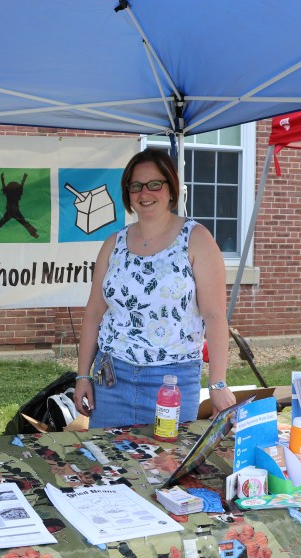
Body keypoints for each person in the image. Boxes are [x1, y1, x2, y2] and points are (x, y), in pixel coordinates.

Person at [73, 148, 235, 428]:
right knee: (111, 466)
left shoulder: (196, 239)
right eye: (135, 186)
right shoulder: (113, 244)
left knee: (167, 465)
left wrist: (218, 383)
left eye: (154, 184)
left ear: (171, 189)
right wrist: (82, 376)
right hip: (111, 380)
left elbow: (215, 316)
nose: (144, 193)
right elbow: (93, 313)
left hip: (172, 383)